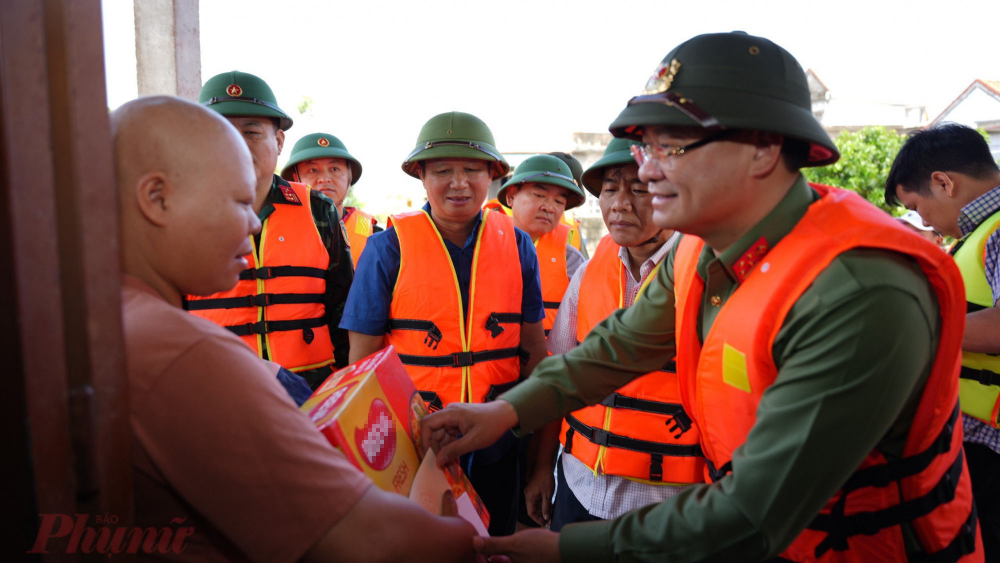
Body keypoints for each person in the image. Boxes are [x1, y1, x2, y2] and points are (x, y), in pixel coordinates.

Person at [423, 32, 981, 562]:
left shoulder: (859, 289)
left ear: (763, 149)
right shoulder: (700, 251)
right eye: (645, 146)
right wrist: (504, 411)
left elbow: (754, 514)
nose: (644, 167)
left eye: (671, 145)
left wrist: (570, 549)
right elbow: (618, 347)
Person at [115, 95, 478, 562]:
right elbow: (370, 540)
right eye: (239, 200)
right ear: (157, 198)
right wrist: (468, 537)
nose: (252, 224)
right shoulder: (184, 355)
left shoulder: (107, 324)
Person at [340, 111, 549, 536]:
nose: (459, 182)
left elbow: (536, 355)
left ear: (492, 175)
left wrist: (538, 459)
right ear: (420, 175)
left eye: (472, 169)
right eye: (442, 171)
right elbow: (359, 368)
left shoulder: (519, 245)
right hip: (416, 444)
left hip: (498, 439)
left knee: (495, 543)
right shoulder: (386, 249)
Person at [525, 137, 704, 531]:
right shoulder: (589, 271)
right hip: (578, 485)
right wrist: (543, 470)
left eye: (639, 189)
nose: (619, 204)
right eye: (609, 189)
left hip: (669, 501)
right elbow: (559, 376)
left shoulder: (706, 272)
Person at [186, 71, 354, 390]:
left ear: (278, 142)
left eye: (251, 132)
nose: (236, 145)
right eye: (220, 132)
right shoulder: (178, 214)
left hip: (313, 391)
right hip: (216, 389)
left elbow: (343, 309)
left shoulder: (319, 210)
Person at [886, 122, 1000, 557]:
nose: (924, 220)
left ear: (943, 183)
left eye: (917, 206)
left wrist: (913, 326)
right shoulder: (982, 231)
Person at [495, 154, 587, 336]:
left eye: (559, 201)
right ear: (511, 196)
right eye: (539, 195)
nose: (549, 207)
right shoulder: (478, 247)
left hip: (549, 362)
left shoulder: (571, 260)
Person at [281, 133, 382, 269]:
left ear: (349, 176)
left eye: (334, 169)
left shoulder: (376, 236)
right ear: (295, 179)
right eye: (313, 170)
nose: (325, 179)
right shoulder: (276, 231)